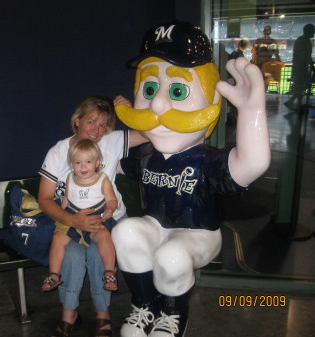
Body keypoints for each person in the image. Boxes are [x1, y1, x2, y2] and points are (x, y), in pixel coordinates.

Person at [112, 22, 270, 337]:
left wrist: (252, 112)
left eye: (178, 90)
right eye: (151, 88)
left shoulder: (207, 161)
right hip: (156, 228)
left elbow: (252, 163)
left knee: (172, 255)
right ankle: (146, 306)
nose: (157, 105)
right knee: (127, 230)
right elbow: (108, 165)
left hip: (198, 235)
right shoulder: (146, 155)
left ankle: (173, 315)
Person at [38, 94, 148, 337]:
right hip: (69, 220)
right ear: (77, 121)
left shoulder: (112, 141)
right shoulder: (58, 151)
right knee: (72, 257)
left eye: (103, 124)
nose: (97, 131)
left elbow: (151, 133)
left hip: (109, 217)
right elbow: (44, 199)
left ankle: (103, 313)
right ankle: (70, 313)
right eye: (91, 122)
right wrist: (73, 220)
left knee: (99, 254)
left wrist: (130, 112)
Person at [42, 138, 118, 293]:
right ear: (71, 164)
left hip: (96, 216)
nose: (83, 167)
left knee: (104, 235)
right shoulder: (70, 178)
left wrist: (110, 209)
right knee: (57, 238)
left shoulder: (103, 180)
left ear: (97, 163)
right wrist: (60, 216)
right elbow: (66, 199)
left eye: (88, 162)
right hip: (73, 216)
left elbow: (111, 199)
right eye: (78, 163)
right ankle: (54, 274)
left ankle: (109, 272)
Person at [285, 23, 315, 111]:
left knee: (301, 88)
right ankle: (296, 104)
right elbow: (302, 57)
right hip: (300, 69)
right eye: (312, 31)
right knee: (300, 88)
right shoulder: (302, 41)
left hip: (302, 68)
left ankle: (295, 104)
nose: (313, 33)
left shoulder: (305, 41)